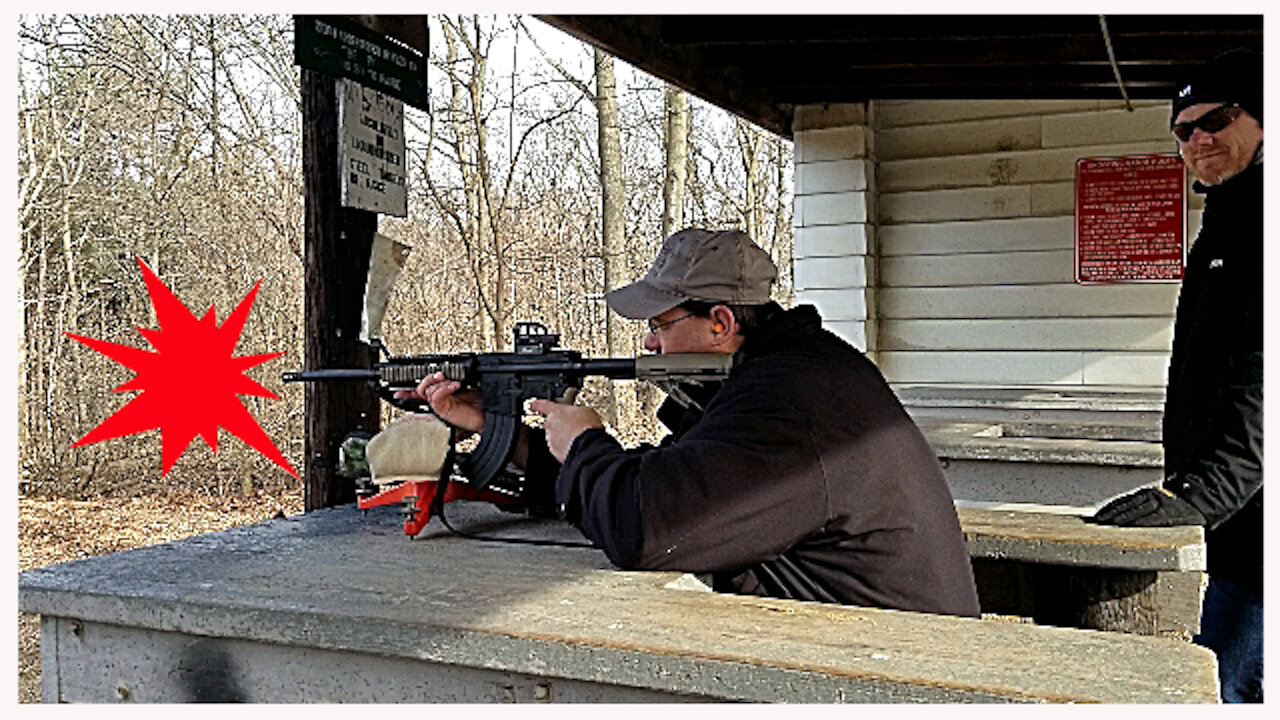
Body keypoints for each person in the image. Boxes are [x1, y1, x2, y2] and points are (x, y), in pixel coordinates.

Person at [403, 228, 981, 618]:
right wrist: (504, 434)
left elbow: (648, 526)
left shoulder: (786, 403)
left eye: (659, 322)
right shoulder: (793, 374)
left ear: (720, 322)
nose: (649, 341)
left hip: (887, 674)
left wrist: (586, 443)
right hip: (858, 643)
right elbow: (671, 485)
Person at [1092, 49, 1262, 703]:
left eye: (1215, 119)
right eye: (1183, 129)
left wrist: (1197, 493)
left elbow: (1263, 381)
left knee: (1230, 688)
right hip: (1235, 521)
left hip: (1251, 522)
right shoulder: (1227, 218)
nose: (1199, 139)